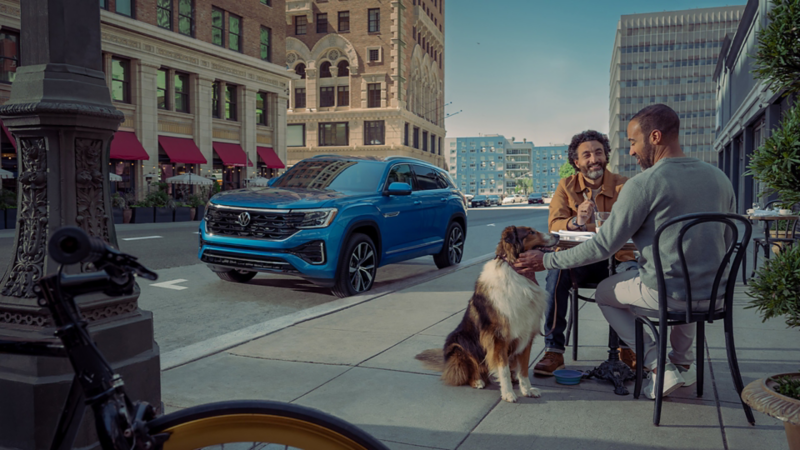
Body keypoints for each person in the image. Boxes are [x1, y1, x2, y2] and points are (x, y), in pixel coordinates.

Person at [517, 104, 736, 399]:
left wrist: (547, 259)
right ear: (576, 160)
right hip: (715, 294)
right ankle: (681, 363)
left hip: (662, 290)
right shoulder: (720, 177)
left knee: (607, 294)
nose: (631, 151)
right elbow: (728, 238)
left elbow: (605, 245)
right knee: (684, 274)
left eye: (633, 142)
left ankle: (657, 365)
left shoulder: (640, 184)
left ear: (655, 137)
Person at [532, 130, 636, 377]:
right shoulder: (566, 186)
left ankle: (627, 346)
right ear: (576, 162)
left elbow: (631, 225)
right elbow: (554, 224)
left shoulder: (625, 185)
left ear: (606, 156)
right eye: (586, 154)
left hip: (618, 257)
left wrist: (597, 227)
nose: (594, 159)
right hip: (579, 259)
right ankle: (554, 350)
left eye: (598, 152)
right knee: (556, 274)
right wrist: (577, 221)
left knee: (633, 277)